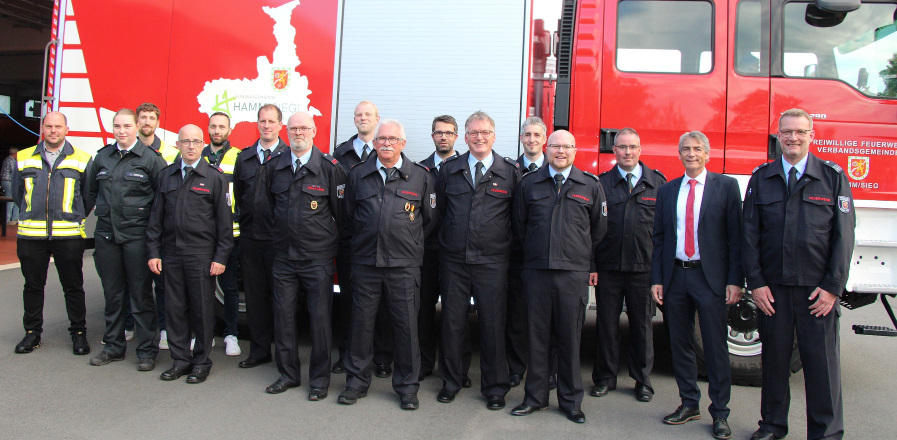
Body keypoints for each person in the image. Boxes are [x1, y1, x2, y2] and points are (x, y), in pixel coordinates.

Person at [743, 108, 855, 440]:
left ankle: (826, 432)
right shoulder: (762, 177)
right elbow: (749, 235)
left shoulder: (832, 177)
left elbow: (843, 237)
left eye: (800, 132)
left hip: (815, 291)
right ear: (778, 136)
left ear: (811, 136)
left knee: (821, 366)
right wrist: (757, 283)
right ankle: (773, 425)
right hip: (773, 290)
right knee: (774, 363)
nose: (793, 138)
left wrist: (833, 287)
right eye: (787, 132)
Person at [338, 119, 436, 410]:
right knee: (361, 326)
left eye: (393, 139)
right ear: (374, 143)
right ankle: (356, 382)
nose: (386, 144)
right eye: (381, 139)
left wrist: (406, 244)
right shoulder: (358, 174)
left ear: (403, 144)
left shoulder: (420, 176)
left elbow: (428, 221)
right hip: (366, 263)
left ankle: (407, 387)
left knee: (406, 328)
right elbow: (347, 216)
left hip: (404, 266)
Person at [650, 131, 743, 440]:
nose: (690, 153)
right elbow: (660, 238)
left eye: (696, 149)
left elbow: (735, 238)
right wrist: (657, 279)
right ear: (679, 154)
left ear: (707, 154)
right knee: (680, 344)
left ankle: (720, 413)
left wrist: (734, 280)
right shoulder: (667, 190)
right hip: (676, 276)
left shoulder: (726, 187)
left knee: (715, 348)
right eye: (685, 149)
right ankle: (689, 403)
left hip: (710, 278)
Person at [510, 130, 607, 424]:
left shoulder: (589, 185)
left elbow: (598, 229)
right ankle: (535, 398)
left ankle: (570, 401)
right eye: (555, 146)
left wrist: (576, 254)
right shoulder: (529, 184)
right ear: (546, 149)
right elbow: (519, 225)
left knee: (569, 339)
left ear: (575, 150)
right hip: (537, 272)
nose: (560, 151)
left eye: (566, 146)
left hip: (572, 274)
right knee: (536, 338)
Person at [435, 111, 519, 409]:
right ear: (465, 136)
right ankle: (451, 381)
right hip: (455, 262)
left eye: (484, 132)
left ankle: (495, 387)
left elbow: (517, 220)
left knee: (493, 325)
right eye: (473, 132)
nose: (479, 137)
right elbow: (440, 214)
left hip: (493, 263)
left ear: (494, 136)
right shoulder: (449, 170)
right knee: (452, 324)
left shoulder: (510, 171)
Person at [262, 111, 346, 400]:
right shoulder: (274, 166)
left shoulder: (330, 168)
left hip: (317, 258)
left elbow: (342, 214)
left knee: (320, 320)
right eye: (293, 128)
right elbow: (268, 207)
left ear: (314, 131)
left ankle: (319, 381)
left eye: (303, 128)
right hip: (284, 257)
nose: (298, 133)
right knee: (283, 317)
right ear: (287, 132)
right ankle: (287, 375)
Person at [147, 124, 233, 384]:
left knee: (202, 311)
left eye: (196, 141)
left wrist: (220, 257)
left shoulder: (214, 178)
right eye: (186, 142)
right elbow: (156, 219)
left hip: (201, 256)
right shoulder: (167, 176)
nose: (191, 146)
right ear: (178, 144)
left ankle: (201, 362)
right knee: (174, 309)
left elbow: (224, 224)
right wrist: (153, 251)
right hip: (172, 254)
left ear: (202, 144)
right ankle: (180, 360)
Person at [87, 108, 167, 371]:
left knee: (141, 296)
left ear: (136, 128)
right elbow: (89, 192)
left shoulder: (151, 159)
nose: (121, 131)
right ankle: (113, 347)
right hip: (107, 237)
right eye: (117, 126)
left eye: (126, 126)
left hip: (137, 238)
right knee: (113, 295)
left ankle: (146, 351)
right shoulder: (102, 158)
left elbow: (162, 201)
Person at [591, 128, 666, 401]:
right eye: (622, 147)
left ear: (640, 149)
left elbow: (665, 232)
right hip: (609, 268)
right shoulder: (601, 184)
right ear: (614, 151)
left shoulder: (657, 183)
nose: (627, 152)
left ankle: (642, 381)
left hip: (643, 269)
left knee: (642, 327)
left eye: (632, 147)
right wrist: (593, 266)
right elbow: (592, 228)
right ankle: (604, 378)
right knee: (607, 326)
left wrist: (661, 272)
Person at [12, 112, 93, 355]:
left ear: (66, 129)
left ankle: (78, 334)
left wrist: (73, 216)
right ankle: (32, 333)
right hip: (31, 235)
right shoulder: (24, 157)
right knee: (33, 287)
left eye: (58, 126)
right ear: (42, 129)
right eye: (49, 126)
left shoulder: (82, 158)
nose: (53, 130)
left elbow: (87, 197)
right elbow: (18, 193)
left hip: (68, 236)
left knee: (73, 287)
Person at [331, 100, 393, 378]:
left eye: (368, 114)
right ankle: (347, 354)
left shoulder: (386, 151)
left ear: (377, 118)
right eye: (358, 114)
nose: (363, 118)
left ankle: (381, 357)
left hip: (380, 244)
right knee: (349, 300)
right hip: (350, 242)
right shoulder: (340, 153)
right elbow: (336, 201)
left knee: (380, 304)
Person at [233, 104, 288, 368]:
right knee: (255, 299)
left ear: (280, 125)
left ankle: (283, 355)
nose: (266, 126)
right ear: (258, 124)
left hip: (279, 241)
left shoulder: (289, 157)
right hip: (251, 239)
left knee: (282, 300)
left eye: (271, 121)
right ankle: (258, 351)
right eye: (262, 121)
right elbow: (239, 196)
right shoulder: (244, 158)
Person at [126, 102, 177, 348]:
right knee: (133, 279)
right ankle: (129, 324)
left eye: (151, 118)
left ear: (157, 122)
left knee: (162, 282)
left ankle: (165, 328)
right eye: (143, 118)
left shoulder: (169, 154)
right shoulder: (126, 151)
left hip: (160, 228)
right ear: (137, 122)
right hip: (133, 227)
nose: (147, 122)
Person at [417, 114, 463, 382]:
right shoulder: (421, 170)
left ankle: (455, 367)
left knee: (455, 314)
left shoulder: (465, 167)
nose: (443, 136)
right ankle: (423, 363)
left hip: (456, 254)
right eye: (438, 132)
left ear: (456, 136)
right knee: (423, 310)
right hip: (429, 252)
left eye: (448, 132)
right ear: (432, 136)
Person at [508, 116, 548, 388]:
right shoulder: (510, 170)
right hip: (514, 256)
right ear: (521, 139)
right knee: (516, 316)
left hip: (545, 257)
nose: (532, 140)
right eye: (527, 135)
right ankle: (515, 367)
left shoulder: (557, 167)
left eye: (537, 135)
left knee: (547, 317)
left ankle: (547, 370)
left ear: (545, 139)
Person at [202, 111, 241, 356]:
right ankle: (203, 335)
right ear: (208, 128)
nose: (217, 131)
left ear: (230, 130)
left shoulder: (239, 156)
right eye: (213, 126)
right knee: (201, 288)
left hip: (232, 234)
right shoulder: (197, 155)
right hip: (203, 235)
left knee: (229, 287)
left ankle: (231, 334)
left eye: (222, 127)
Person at [2, 147, 19, 223]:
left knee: (14, 199)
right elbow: (14, 172)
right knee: (10, 199)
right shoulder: (11, 160)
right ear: (15, 153)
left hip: (6, 181)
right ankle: (8, 219)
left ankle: (14, 218)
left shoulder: (7, 159)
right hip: (9, 181)